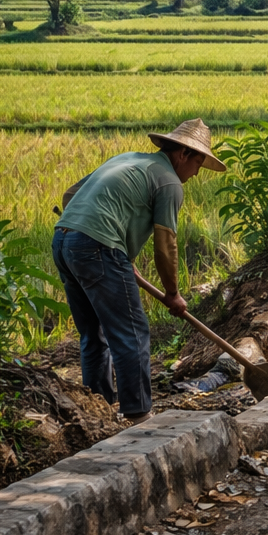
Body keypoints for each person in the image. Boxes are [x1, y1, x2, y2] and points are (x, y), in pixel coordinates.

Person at [53, 119, 224, 423]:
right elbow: (165, 245)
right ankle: (138, 413)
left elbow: (70, 196)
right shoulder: (170, 182)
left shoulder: (126, 159)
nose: (197, 173)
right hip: (97, 247)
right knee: (132, 332)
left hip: (64, 239)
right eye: (198, 163)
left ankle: (99, 410)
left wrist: (113, 244)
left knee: (93, 333)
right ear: (183, 154)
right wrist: (173, 293)